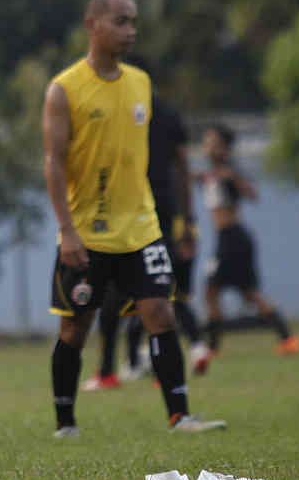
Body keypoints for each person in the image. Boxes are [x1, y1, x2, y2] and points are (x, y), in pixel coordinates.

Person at [42, 0, 225, 437]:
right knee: (75, 328)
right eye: (121, 22)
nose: (131, 30)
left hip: (141, 228)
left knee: (160, 313)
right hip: (86, 233)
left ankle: (179, 415)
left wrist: (181, 220)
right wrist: (67, 230)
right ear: (93, 25)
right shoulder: (64, 88)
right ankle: (65, 420)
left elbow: (165, 155)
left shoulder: (141, 83)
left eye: (134, 22)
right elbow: (54, 163)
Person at [84, 92, 211, 390]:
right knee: (164, 296)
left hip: (130, 220)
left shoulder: (116, 114)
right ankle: (191, 348)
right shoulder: (168, 118)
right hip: (165, 220)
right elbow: (182, 167)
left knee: (124, 300)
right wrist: (189, 223)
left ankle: (112, 371)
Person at [200, 124, 299, 355]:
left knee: (213, 290)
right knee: (245, 293)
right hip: (226, 239)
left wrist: (234, 178)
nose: (208, 148)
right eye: (206, 143)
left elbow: (252, 194)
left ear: (224, 149)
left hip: (234, 238)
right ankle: (287, 338)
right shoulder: (210, 174)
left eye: (213, 143)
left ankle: (212, 348)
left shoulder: (229, 172)